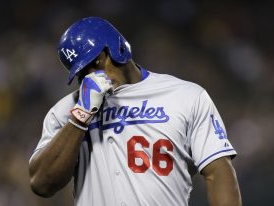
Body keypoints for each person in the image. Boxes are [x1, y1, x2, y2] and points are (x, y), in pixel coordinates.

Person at [29, 16, 242, 206]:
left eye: (95, 63)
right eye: (82, 72)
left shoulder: (186, 96)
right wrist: (80, 116)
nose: (91, 75)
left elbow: (218, 171)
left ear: (116, 48)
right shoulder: (65, 111)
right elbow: (42, 184)